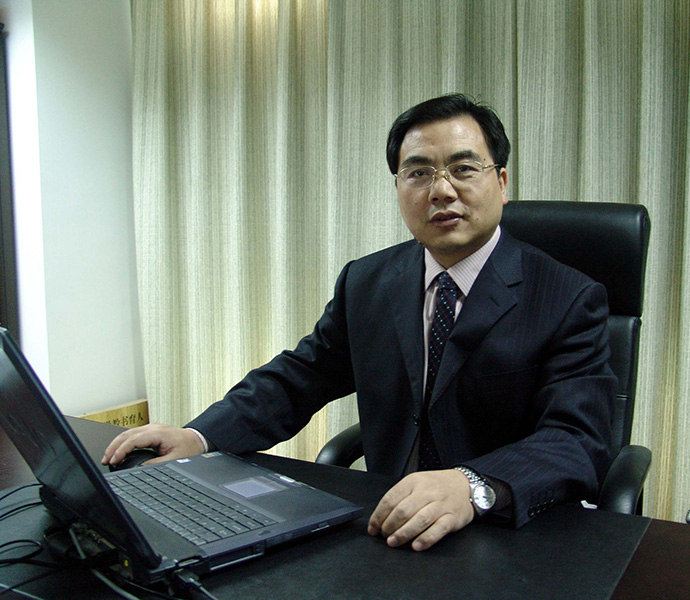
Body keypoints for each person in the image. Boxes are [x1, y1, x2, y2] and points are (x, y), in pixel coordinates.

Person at [103, 93, 616, 552]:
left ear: (501, 183)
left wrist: (471, 484)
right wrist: (199, 437)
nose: (441, 191)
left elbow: (578, 438)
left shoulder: (568, 297)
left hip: (505, 532)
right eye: (418, 173)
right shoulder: (368, 281)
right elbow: (299, 377)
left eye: (463, 168)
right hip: (387, 524)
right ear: (399, 188)